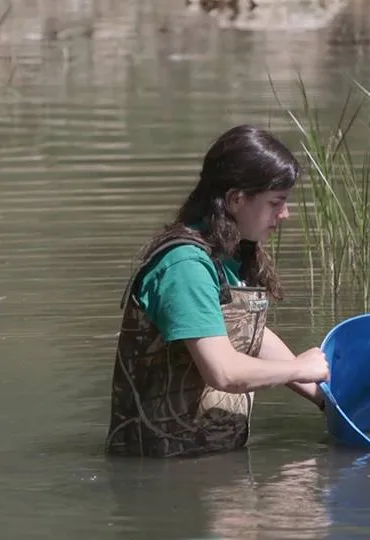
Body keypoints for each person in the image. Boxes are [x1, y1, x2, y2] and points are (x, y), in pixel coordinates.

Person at [105, 124, 330, 458]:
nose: (285, 214)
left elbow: (244, 332)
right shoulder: (185, 268)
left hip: (206, 461)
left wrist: (326, 397)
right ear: (235, 199)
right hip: (163, 472)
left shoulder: (228, 253)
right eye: (276, 202)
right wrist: (299, 368)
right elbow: (223, 372)